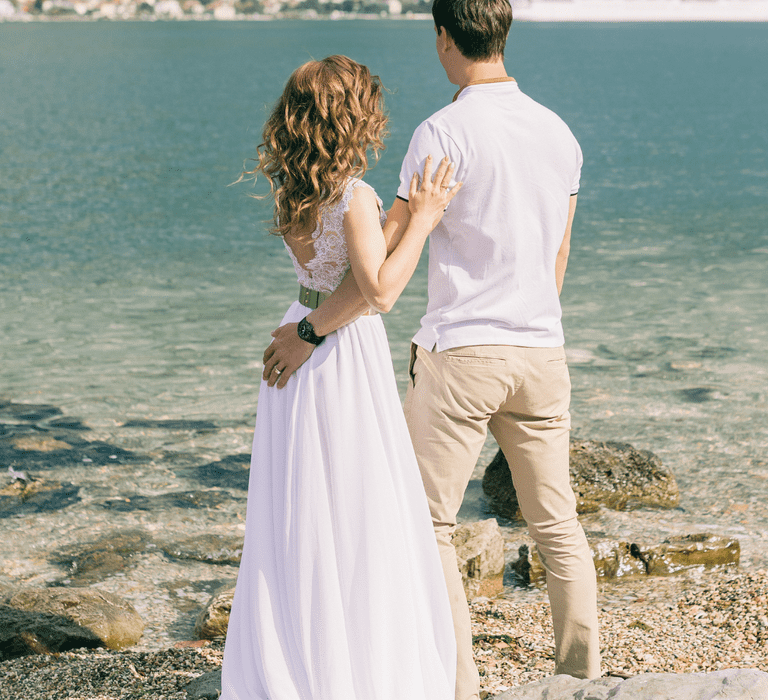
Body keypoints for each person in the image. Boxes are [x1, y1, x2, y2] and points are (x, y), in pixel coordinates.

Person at [263, 1, 601, 699]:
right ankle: (581, 677)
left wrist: (308, 327)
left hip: (460, 354)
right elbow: (560, 250)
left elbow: (376, 261)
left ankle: (457, 685)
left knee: (430, 526)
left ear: (446, 38)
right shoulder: (560, 134)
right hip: (542, 347)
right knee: (558, 524)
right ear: (504, 34)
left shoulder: (440, 132)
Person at [219, 55, 462, 700]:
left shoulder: (295, 189)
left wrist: (397, 222)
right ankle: (353, 664)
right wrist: (428, 222)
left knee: (301, 502)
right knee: (356, 503)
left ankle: (300, 651)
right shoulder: (354, 193)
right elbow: (378, 290)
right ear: (355, 118)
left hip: (302, 318)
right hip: (339, 348)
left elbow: (340, 269)